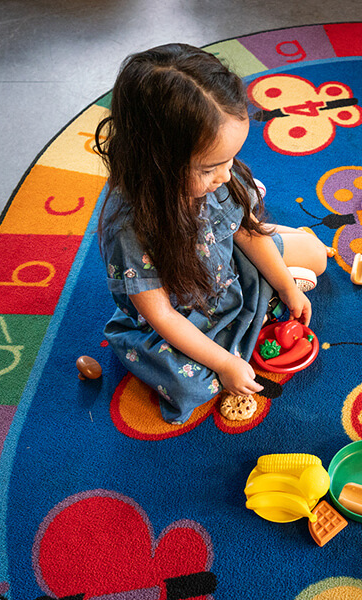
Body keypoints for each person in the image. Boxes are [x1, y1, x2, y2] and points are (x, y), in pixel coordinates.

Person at [94, 44, 329, 423]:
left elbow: (246, 234)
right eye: (210, 168)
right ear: (156, 161)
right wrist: (223, 362)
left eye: (230, 159)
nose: (225, 174)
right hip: (182, 314)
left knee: (316, 256)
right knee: (195, 388)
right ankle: (254, 310)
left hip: (227, 266)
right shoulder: (130, 227)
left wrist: (285, 285)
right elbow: (161, 316)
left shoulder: (217, 172)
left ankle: (271, 284)